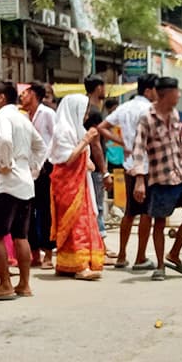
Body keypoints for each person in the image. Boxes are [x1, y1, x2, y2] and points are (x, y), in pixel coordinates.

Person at [0, 81, 47, 302]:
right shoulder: (23, 117)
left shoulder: (3, 117)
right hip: (25, 181)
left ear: (1, 98)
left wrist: (5, 163)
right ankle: (24, 283)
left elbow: (4, 139)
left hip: (9, 182)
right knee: (21, 234)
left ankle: (5, 283)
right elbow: (40, 146)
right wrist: (32, 168)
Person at [131, 77, 182, 281]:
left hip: (179, 175)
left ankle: (174, 254)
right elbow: (138, 150)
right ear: (164, 94)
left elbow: (179, 143)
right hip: (159, 179)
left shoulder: (175, 114)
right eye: (175, 92)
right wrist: (140, 180)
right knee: (159, 222)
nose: (179, 95)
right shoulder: (147, 118)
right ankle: (160, 266)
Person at [98, 73, 157, 270]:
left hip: (129, 163)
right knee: (147, 214)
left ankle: (122, 255)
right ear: (149, 90)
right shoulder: (150, 109)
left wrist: (123, 142)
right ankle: (140, 256)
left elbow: (102, 127)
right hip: (147, 165)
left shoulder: (124, 107)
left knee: (129, 213)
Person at [50, 94, 105, 280]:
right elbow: (68, 158)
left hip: (81, 183)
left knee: (83, 222)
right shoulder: (63, 130)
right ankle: (80, 266)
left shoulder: (76, 129)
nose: (86, 114)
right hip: (68, 185)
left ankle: (68, 264)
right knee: (76, 224)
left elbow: (82, 157)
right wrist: (86, 140)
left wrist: (88, 162)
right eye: (84, 110)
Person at [19, 81, 56, 270]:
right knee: (28, 211)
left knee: (45, 211)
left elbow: (55, 138)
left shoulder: (47, 113)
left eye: (25, 93)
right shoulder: (24, 116)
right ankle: (34, 252)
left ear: (34, 95)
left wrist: (45, 160)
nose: (22, 96)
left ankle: (48, 252)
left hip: (46, 167)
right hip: (28, 167)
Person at [83, 76, 109, 243]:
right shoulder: (94, 112)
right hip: (94, 166)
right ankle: (101, 244)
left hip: (85, 164)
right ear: (98, 88)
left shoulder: (85, 109)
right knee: (97, 205)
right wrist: (104, 171)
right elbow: (96, 143)